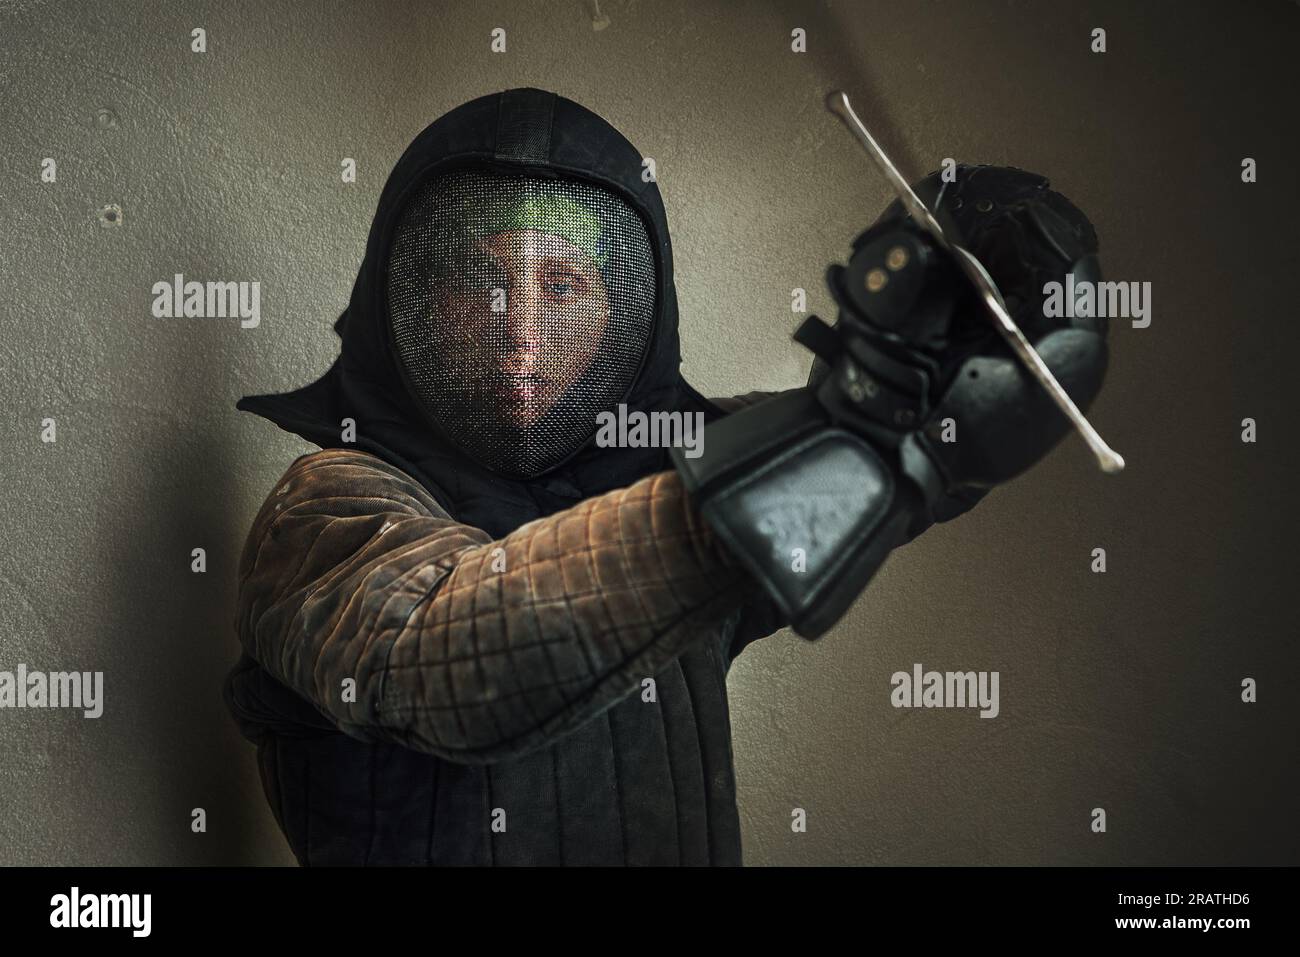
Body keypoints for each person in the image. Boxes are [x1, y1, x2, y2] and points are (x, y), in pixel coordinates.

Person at [222, 87, 1110, 865]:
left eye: (564, 285)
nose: (521, 333)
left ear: (625, 315)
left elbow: (904, 473)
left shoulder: (675, 464)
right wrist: (823, 452)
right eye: (478, 282)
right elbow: (446, 664)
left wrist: (957, 361)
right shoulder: (328, 507)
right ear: (408, 296)